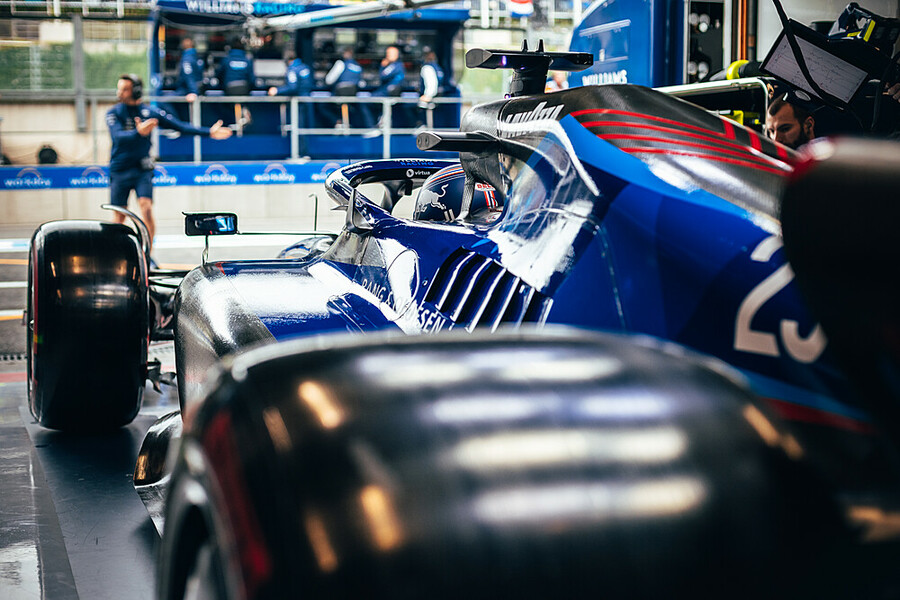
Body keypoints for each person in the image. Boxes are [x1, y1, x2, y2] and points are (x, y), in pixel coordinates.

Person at [106, 74, 232, 258]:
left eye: (124, 89)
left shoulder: (149, 112)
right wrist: (138, 132)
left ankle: (146, 255)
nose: (120, 93)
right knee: (119, 216)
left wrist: (209, 132)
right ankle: (116, 255)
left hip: (142, 170)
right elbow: (117, 137)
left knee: (146, 208)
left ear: (136, 91)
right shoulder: (113, 113)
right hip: (120, 170)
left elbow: (180, 126)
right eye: (120, 89)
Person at [268, 51, 314, 155]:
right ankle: (305, 153)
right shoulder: (305, 67)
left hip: (298, 102)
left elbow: (293, 87)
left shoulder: (292, 69)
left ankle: (300, 154)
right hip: (307, 100)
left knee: (298, 127)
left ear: (288, 60)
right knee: (304, 128)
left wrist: (277, 90)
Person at [417, 50, 445, 128]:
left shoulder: (427, 67)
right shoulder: (437, 67)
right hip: (437, 96)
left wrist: (427, 95)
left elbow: (431, 84)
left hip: (430, 97)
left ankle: (422, 126)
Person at [174, 36, 204, 102]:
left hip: (186, 91)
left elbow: (189, 76)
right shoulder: (196, 57)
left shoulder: (187, 59)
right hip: (196, 89)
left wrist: (193, 92)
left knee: (162, 100)